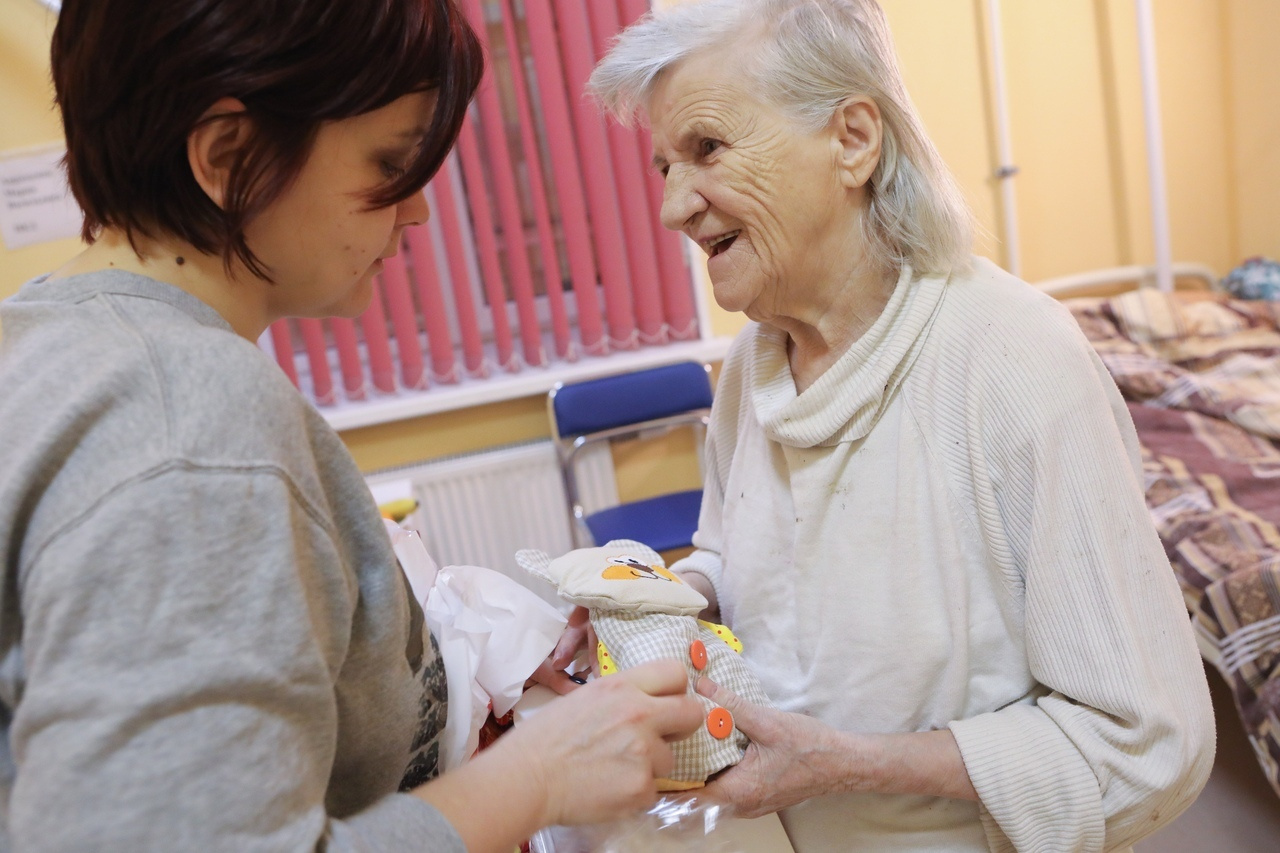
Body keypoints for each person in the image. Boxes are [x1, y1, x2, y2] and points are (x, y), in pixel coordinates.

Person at [0, 1, 704, 850]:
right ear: (229, 156)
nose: (417, 216)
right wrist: (537, 775)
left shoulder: (49, 342)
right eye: (389, 164)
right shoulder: (185, 417)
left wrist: (464, 656)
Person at [575, 0, 1217, 849]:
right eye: (663, 166)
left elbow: (1149, 746)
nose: (673, 208)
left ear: (852, 140)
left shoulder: (1015, 360)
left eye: (707, 149)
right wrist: (651, 609)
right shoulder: (751, 368)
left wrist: (853, 762)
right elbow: (738, 561)